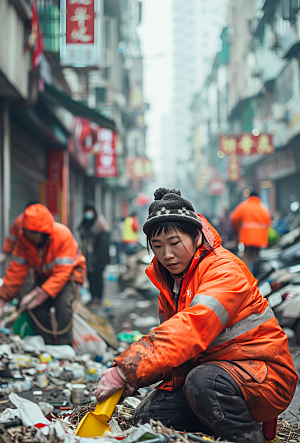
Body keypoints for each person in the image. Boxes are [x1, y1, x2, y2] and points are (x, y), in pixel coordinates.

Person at [93, 188, 297, 443]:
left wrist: (125, 371)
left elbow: (187, 331)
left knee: (204, 382)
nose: (166, 254)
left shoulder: (223, 270)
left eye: (175, 243)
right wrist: (134, 381)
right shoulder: (170, 284)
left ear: (197, 236)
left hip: (263, 375)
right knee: (150, 418)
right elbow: (171, 350)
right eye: (157, 246)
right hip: (218, 374)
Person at [0, 204, 86, 345]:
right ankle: (48, 344)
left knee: (62, 306)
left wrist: (39, 294)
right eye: (28, 232)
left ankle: (65, 345)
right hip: (44, 275)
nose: (30, 236)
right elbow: (16, 271)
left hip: (70, 275)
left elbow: (61, 274)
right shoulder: (24, 239)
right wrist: (2, 298)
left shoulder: (62, 235)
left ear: (44, 232)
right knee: (36, 309)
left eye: (34, 233)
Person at [79, 202, 110, 307]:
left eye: (90, 210)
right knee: (90, 277)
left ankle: (97, 298)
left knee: (97, 277)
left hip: (98, 258)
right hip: (87, 256)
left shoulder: (100, 225)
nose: (88, 213)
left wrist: (100, 260)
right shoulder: (85, 223)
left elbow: (104, 247)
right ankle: (93, 297)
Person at [231, 191, 271, 269]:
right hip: (259, 237)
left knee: (246, 255)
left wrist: (237, 230)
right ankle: (257, 274)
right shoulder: (263, 207)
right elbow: (268, 222)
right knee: (256, 255)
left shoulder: (244, 206)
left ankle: (247, 274)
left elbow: (234, 218)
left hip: (246, 236)